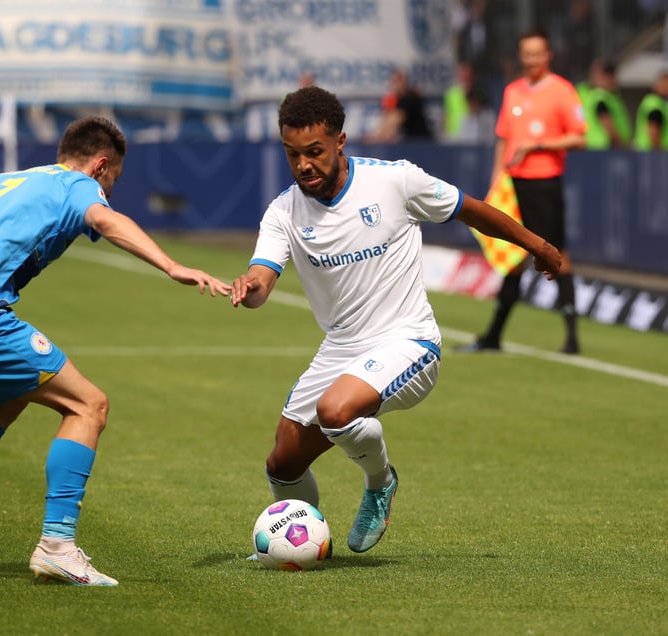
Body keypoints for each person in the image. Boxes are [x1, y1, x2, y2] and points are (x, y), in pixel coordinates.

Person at [0, 116, 230, 586]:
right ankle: (57, 546)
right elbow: (104, 219)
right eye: (112, 179)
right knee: (89, 404)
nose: (109, 190)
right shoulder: (78, 186)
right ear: (100, 166)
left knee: (10, 398)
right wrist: (172, 266)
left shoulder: (3, 183)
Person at [229, 86, 562, 556]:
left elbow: (475, 212)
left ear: (340, 141)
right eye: (293, 154)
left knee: (335, 411)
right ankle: (304, 548)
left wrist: (539, 246)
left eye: (314, 152)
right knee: (283, 461)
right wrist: (250, 287)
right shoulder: (283, 211)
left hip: (410, 342)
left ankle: (380, 482)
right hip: (342, 346)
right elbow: (263, 277)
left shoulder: (395, 181)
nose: (304, 164)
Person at [460, 29, 586, 355]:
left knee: (556, 255)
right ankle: (493, 336)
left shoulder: (562, 91)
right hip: (513, 185)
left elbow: (579, 137)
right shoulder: (513, 91)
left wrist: (539, 145)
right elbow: (503, 137)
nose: (532, 59)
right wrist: (496, 177)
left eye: (537, 53)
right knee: (514, 258)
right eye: (526, 54)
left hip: (544, 182)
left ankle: (572, 337)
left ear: (548, 55)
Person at [364, 69, 433, 143]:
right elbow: (387, 119)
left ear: (405, 82)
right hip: (410, 141)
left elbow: (396, 120)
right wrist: (376, 134)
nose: (396, 84)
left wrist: (378, 137)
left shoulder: (410, 98)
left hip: (422, 142)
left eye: (399, 81)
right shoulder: (396, 99)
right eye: (394, 81)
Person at [578, 60, 631, 149]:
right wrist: (622, 146)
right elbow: (608, 125)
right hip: (603, 149)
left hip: (593, 147)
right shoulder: (601, 98)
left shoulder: (593, 95)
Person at [633, 72, 668, 151]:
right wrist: (660, 153)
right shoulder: (655, 104)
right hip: (654, 155)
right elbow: (653, 131)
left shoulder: (655, 102)